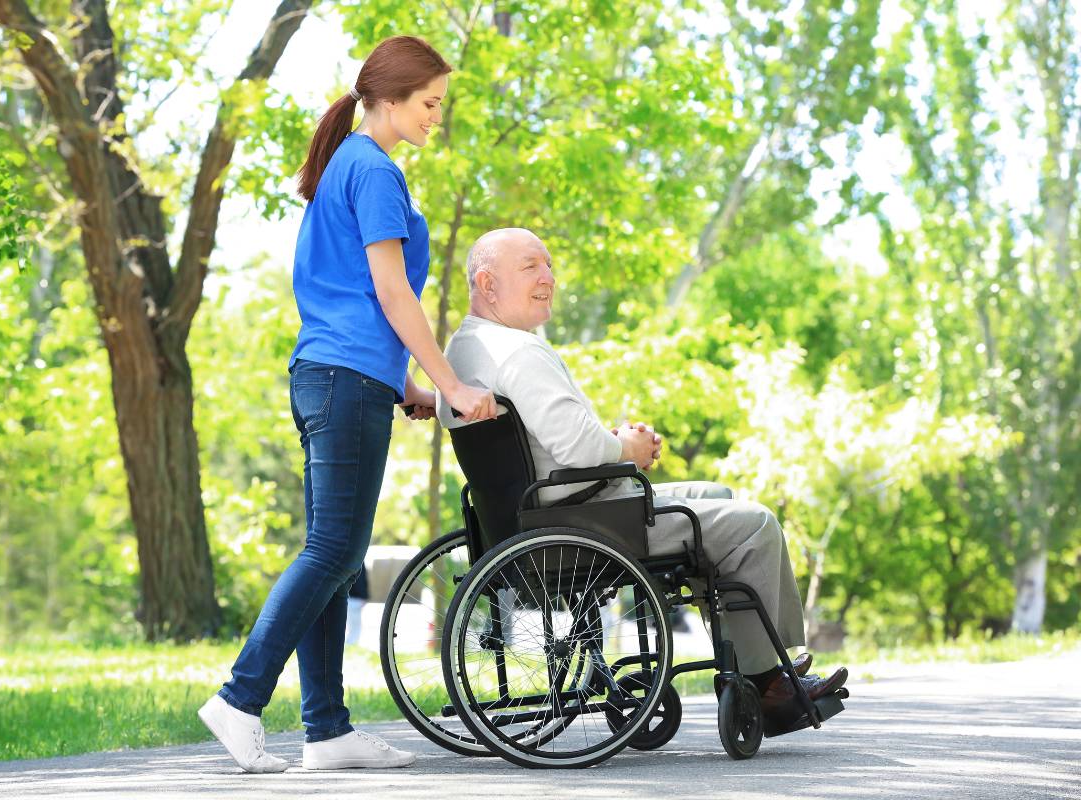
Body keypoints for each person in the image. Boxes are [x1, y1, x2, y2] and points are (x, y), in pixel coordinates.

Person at [199, 36, 497, 774]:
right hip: (341, 381)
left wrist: (411, 389)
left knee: (337, 554)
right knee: (333, 550)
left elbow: (355, 302)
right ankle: (239, 699)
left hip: (339, 377)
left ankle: (327, 730)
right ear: (391, 97)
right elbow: (393, 295)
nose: (436, 116)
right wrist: (455, 386)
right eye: (429, 103)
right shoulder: (374, 169)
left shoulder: (353, 167)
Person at [439, 227, 848, 728]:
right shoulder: (520, 354)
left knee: (716, 497)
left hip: (537, 516)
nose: (549, 276)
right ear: (487, 282)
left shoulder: (463, 351)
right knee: (755, 524)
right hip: (585, 522)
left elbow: (546, 442)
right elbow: (580, 448)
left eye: (548, 264)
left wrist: (611, 439)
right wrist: (626, 448)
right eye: (531, 267)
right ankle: (765, 682)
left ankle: (751, 658)